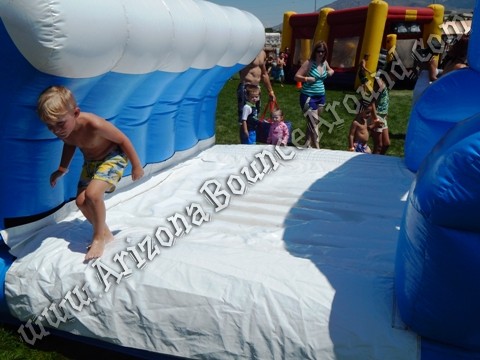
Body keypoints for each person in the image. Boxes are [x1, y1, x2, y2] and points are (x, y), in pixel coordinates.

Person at [37, 85, 144, 261]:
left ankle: (98, 237)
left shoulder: (94, 124)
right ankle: (105, 233)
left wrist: (136, 166)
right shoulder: (65, 130)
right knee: (80, 201)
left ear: (76, 113)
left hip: (113, 157)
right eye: (50, 127)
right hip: (91, 163)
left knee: (93, 195)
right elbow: (69, 143)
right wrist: (61, 169)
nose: (56, 130)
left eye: (60, 123)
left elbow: (123, 139)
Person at [294, 41, 334, 149]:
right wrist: (306, 78)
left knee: (312, 122)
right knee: (314, 122)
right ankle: (317, 148)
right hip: (308, 96)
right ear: (315, 51)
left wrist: (331, 71)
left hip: (320, 96)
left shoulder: (324, 63)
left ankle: (307, 143)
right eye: (318, 51)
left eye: (323, 51)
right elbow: (296, 76)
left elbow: (330, 70)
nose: (320, 53)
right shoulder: (309, 63)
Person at [237, 49, 276, 124]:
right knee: (244, 118)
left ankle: (252, 134)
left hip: (257, 88)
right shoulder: (244, 51)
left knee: (255, 114)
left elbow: (264, 74)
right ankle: (245, 134)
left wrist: (270, 91)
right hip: (246, 87)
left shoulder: (262, 53)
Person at [371, 74, 391, 155]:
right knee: (378, 145)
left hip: (383, 117)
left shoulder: (385, 85)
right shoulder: (380, 84)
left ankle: (380, 160)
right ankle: (372, 164)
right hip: (377, 116)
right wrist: (375, 119)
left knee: (386, 144)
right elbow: (371, 102)